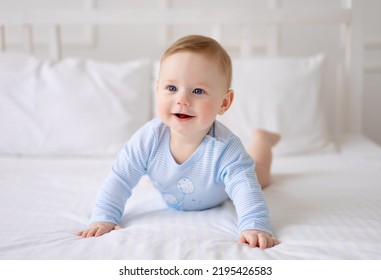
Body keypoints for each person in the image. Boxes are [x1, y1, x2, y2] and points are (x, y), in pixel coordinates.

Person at [77, 35, 279, 249]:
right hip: (178, 187)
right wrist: (103, 217)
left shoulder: (226, 148)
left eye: (198, 91)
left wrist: (254, 225)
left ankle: (262, 140)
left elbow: (245, 188)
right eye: (172, 88)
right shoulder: (148, 139)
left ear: (224, 102)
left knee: (260, 176)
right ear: (158, 90)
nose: (182, 99)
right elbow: (120, 178)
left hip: (222, 191)